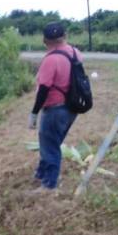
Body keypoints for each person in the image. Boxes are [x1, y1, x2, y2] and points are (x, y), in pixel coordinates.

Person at [28, 21, 83, 191]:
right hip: (72, 107)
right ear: (65, 36)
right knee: (51, 143)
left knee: (50, 147)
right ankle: (41, 173)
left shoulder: (50, 60)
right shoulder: (75, 52)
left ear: (44, 40)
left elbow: (44, 89)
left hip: (55, 109)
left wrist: (34, 113)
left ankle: (49, 184)